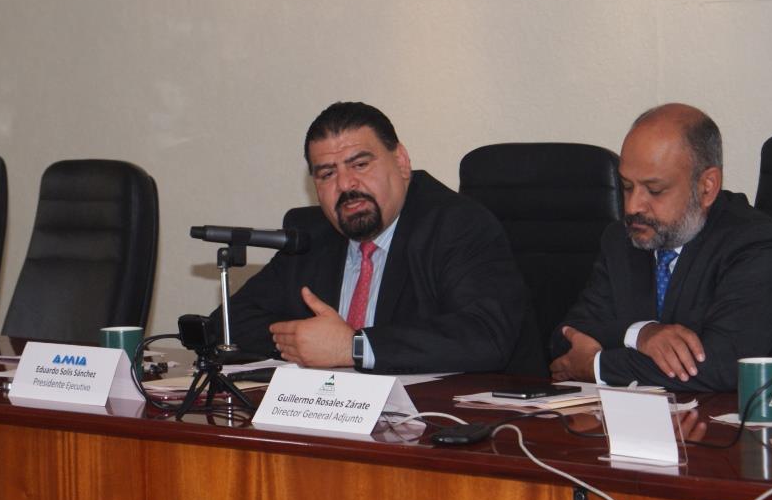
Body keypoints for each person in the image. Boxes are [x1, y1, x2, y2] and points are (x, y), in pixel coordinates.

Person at [216, 101, 540, 375]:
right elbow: (228, 323)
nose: (345, 184)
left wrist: (355, 347)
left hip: (461, 420)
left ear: (401, 162)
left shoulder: (455, 225)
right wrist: (301, 344)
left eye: (360, 164)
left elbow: (485, 336)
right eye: (327, 173)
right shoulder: (313, 235)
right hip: (338, 415)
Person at [549, 103, 772, 391]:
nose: (633, 206)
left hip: (741, 417)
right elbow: (566, 338)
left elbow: (723, 366)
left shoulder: (755, 244)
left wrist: (597, 367)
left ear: (707, 187)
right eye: (627, 186)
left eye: (654, 190)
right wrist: (640, 334)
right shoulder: (621, 239)